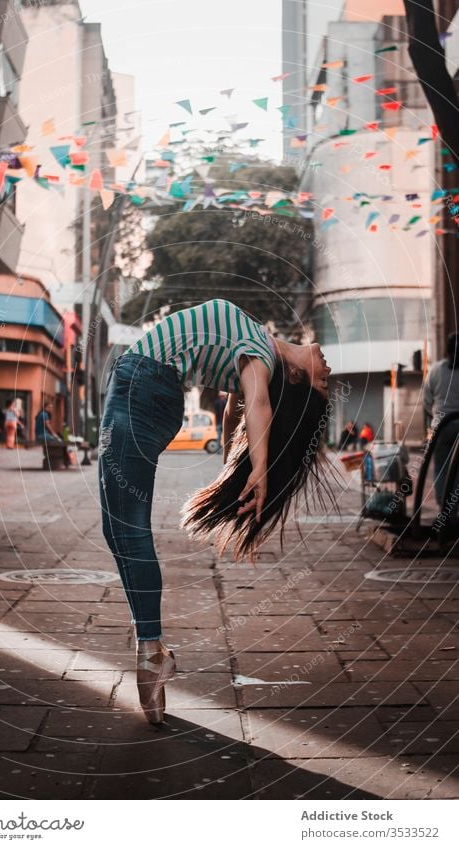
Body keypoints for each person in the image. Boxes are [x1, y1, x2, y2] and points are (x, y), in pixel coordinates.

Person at [98, 299, 331, 725]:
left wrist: (259, 469)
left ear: (297, 376)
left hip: (141, 385)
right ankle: (149, 643)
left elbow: (257, 404)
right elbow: (234, 412)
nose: (329, 371)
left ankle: (151, 651)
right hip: (142, 385)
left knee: (126, 527)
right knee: (116, 527)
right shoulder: (257, 347)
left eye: (324, 383)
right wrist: (231, 471)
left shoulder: (260, 355)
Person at [423, 332, 459, 506]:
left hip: (441, 427)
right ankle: (454, 508)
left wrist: (436, 415)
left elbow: (427, 401)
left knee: (441, 469)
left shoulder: (436, 370)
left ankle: (444, 509)